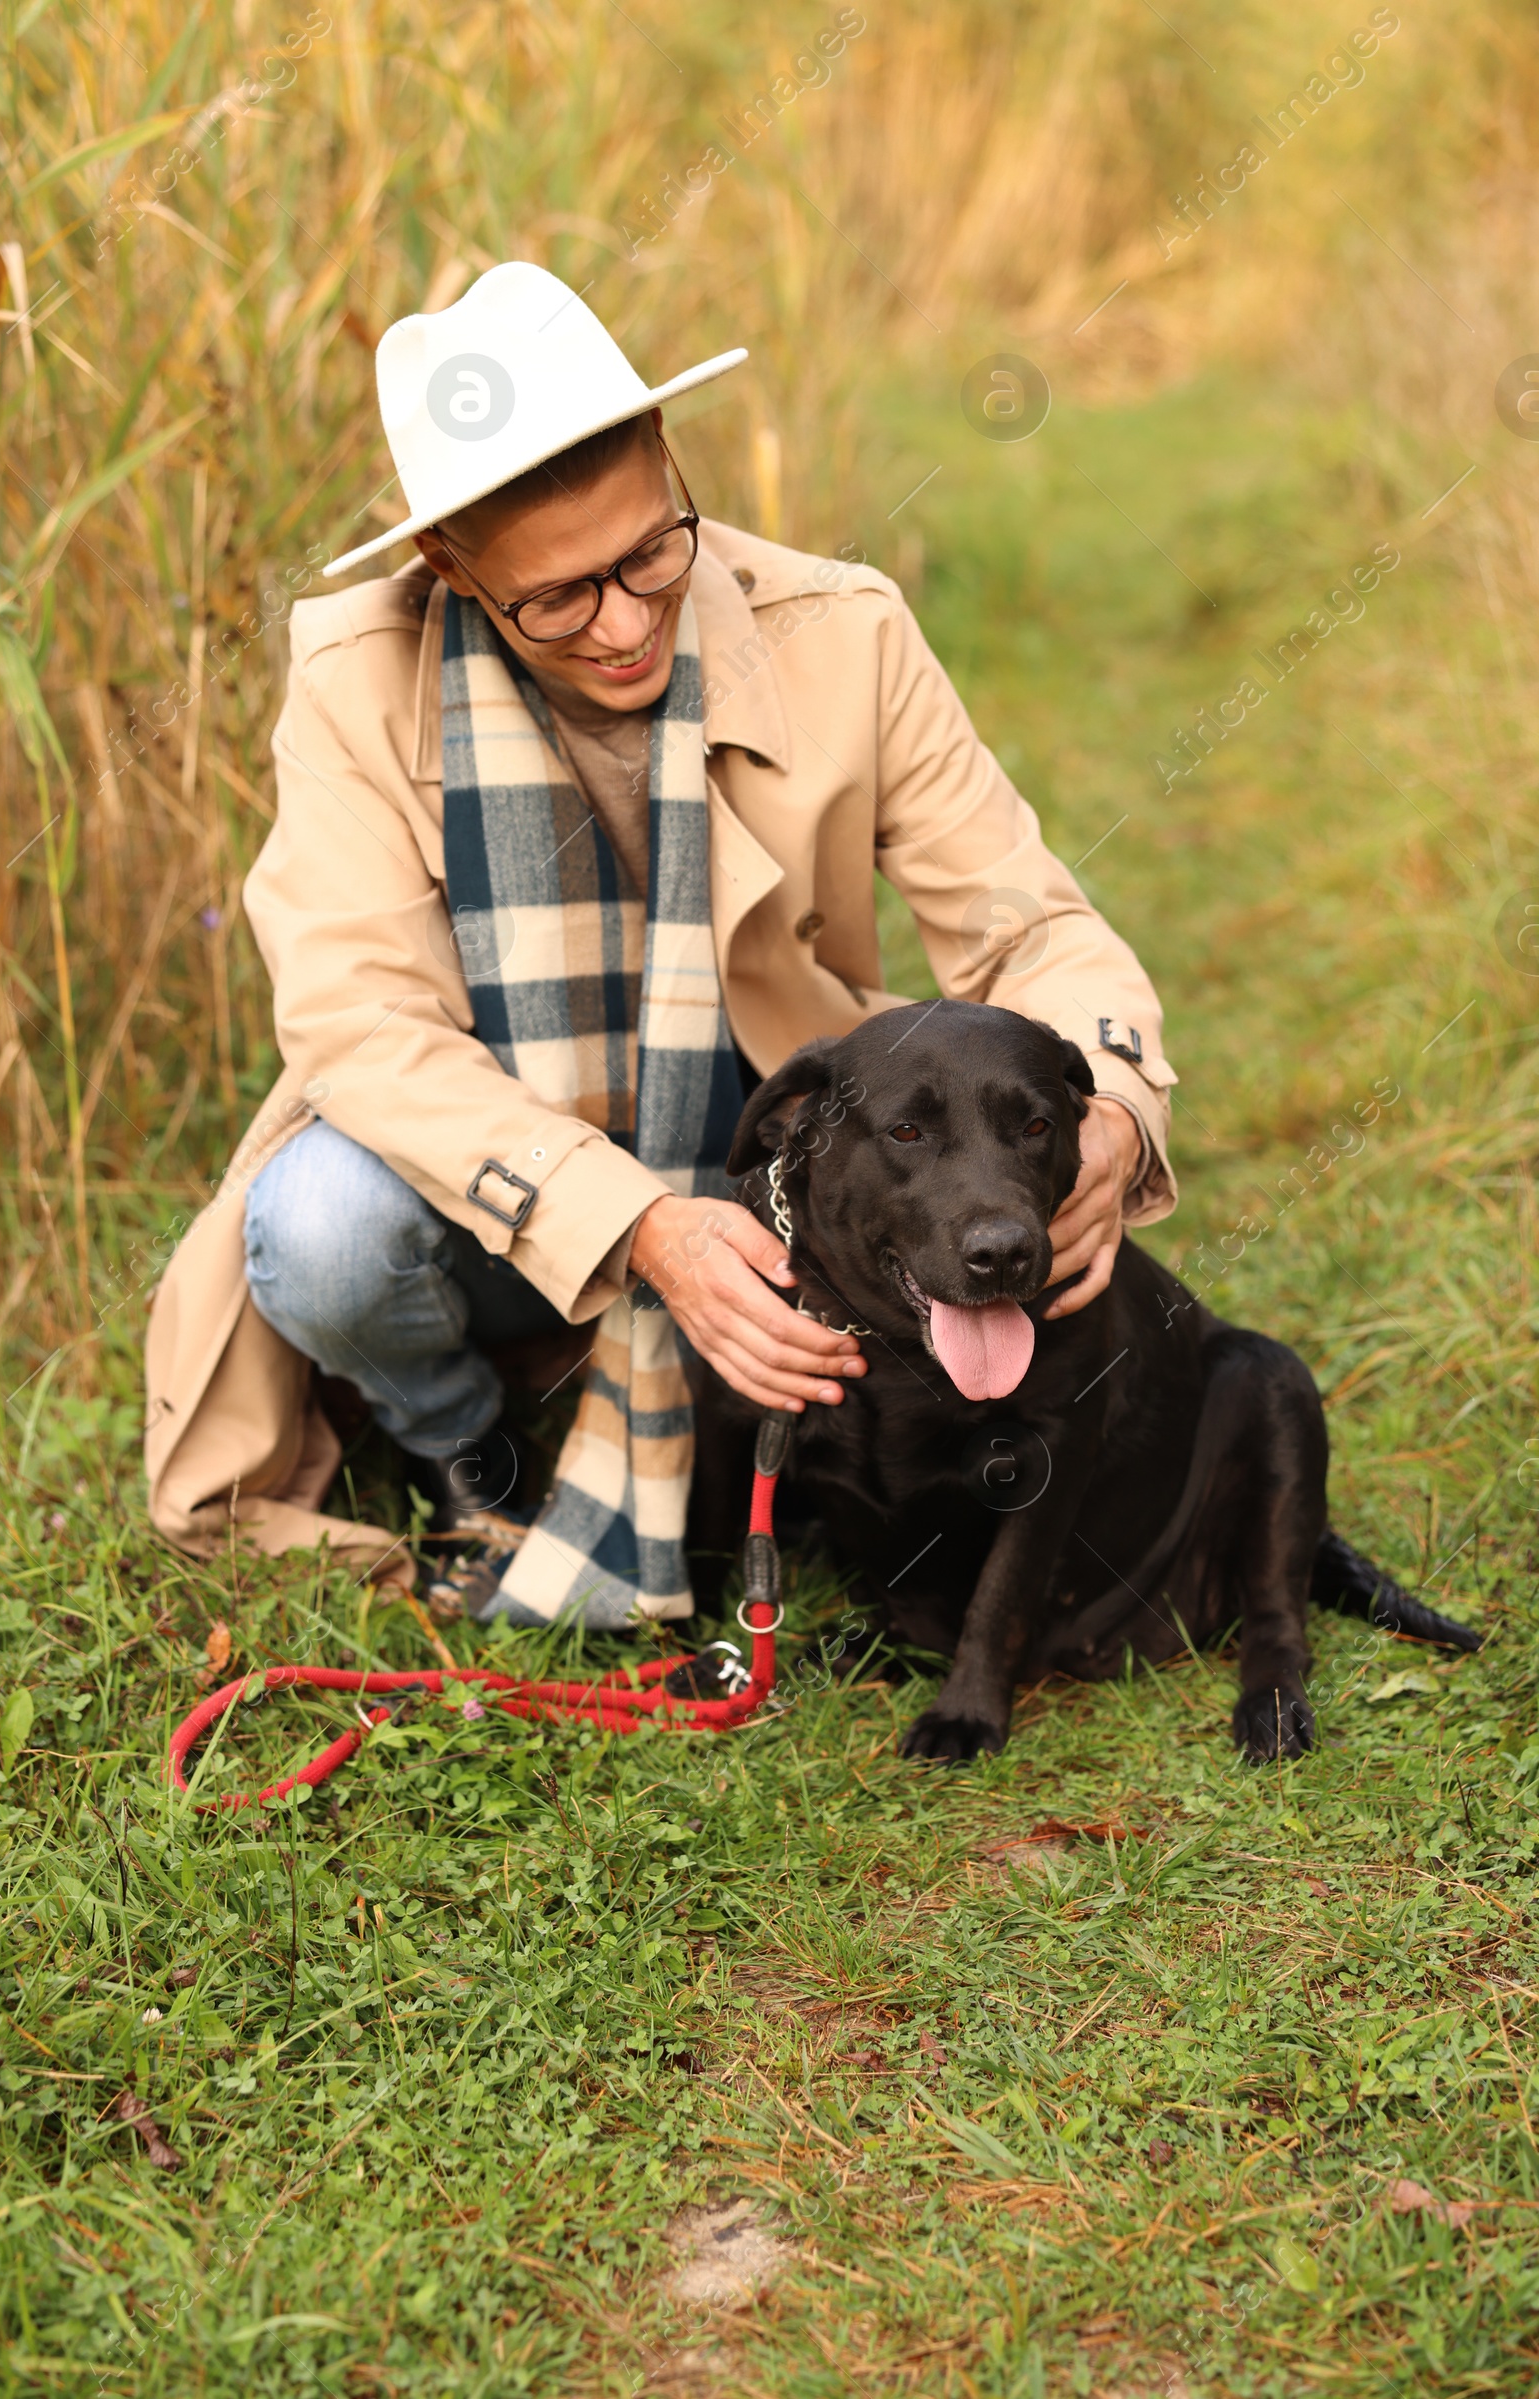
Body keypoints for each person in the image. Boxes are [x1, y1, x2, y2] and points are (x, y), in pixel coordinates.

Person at [144, 262, 1177, 1618]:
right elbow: (362, 1027)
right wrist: (637, 1228)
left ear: (673, 468)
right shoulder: (355, 678)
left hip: (763, 1156)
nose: (627, 623)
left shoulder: (843, 630)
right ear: (449, 569)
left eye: (649, 553)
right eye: (560, 599)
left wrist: (1121, 1117)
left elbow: (1028, 922)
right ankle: (481, 1462)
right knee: (320, 1230)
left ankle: (788, 1433)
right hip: (501, 1185)